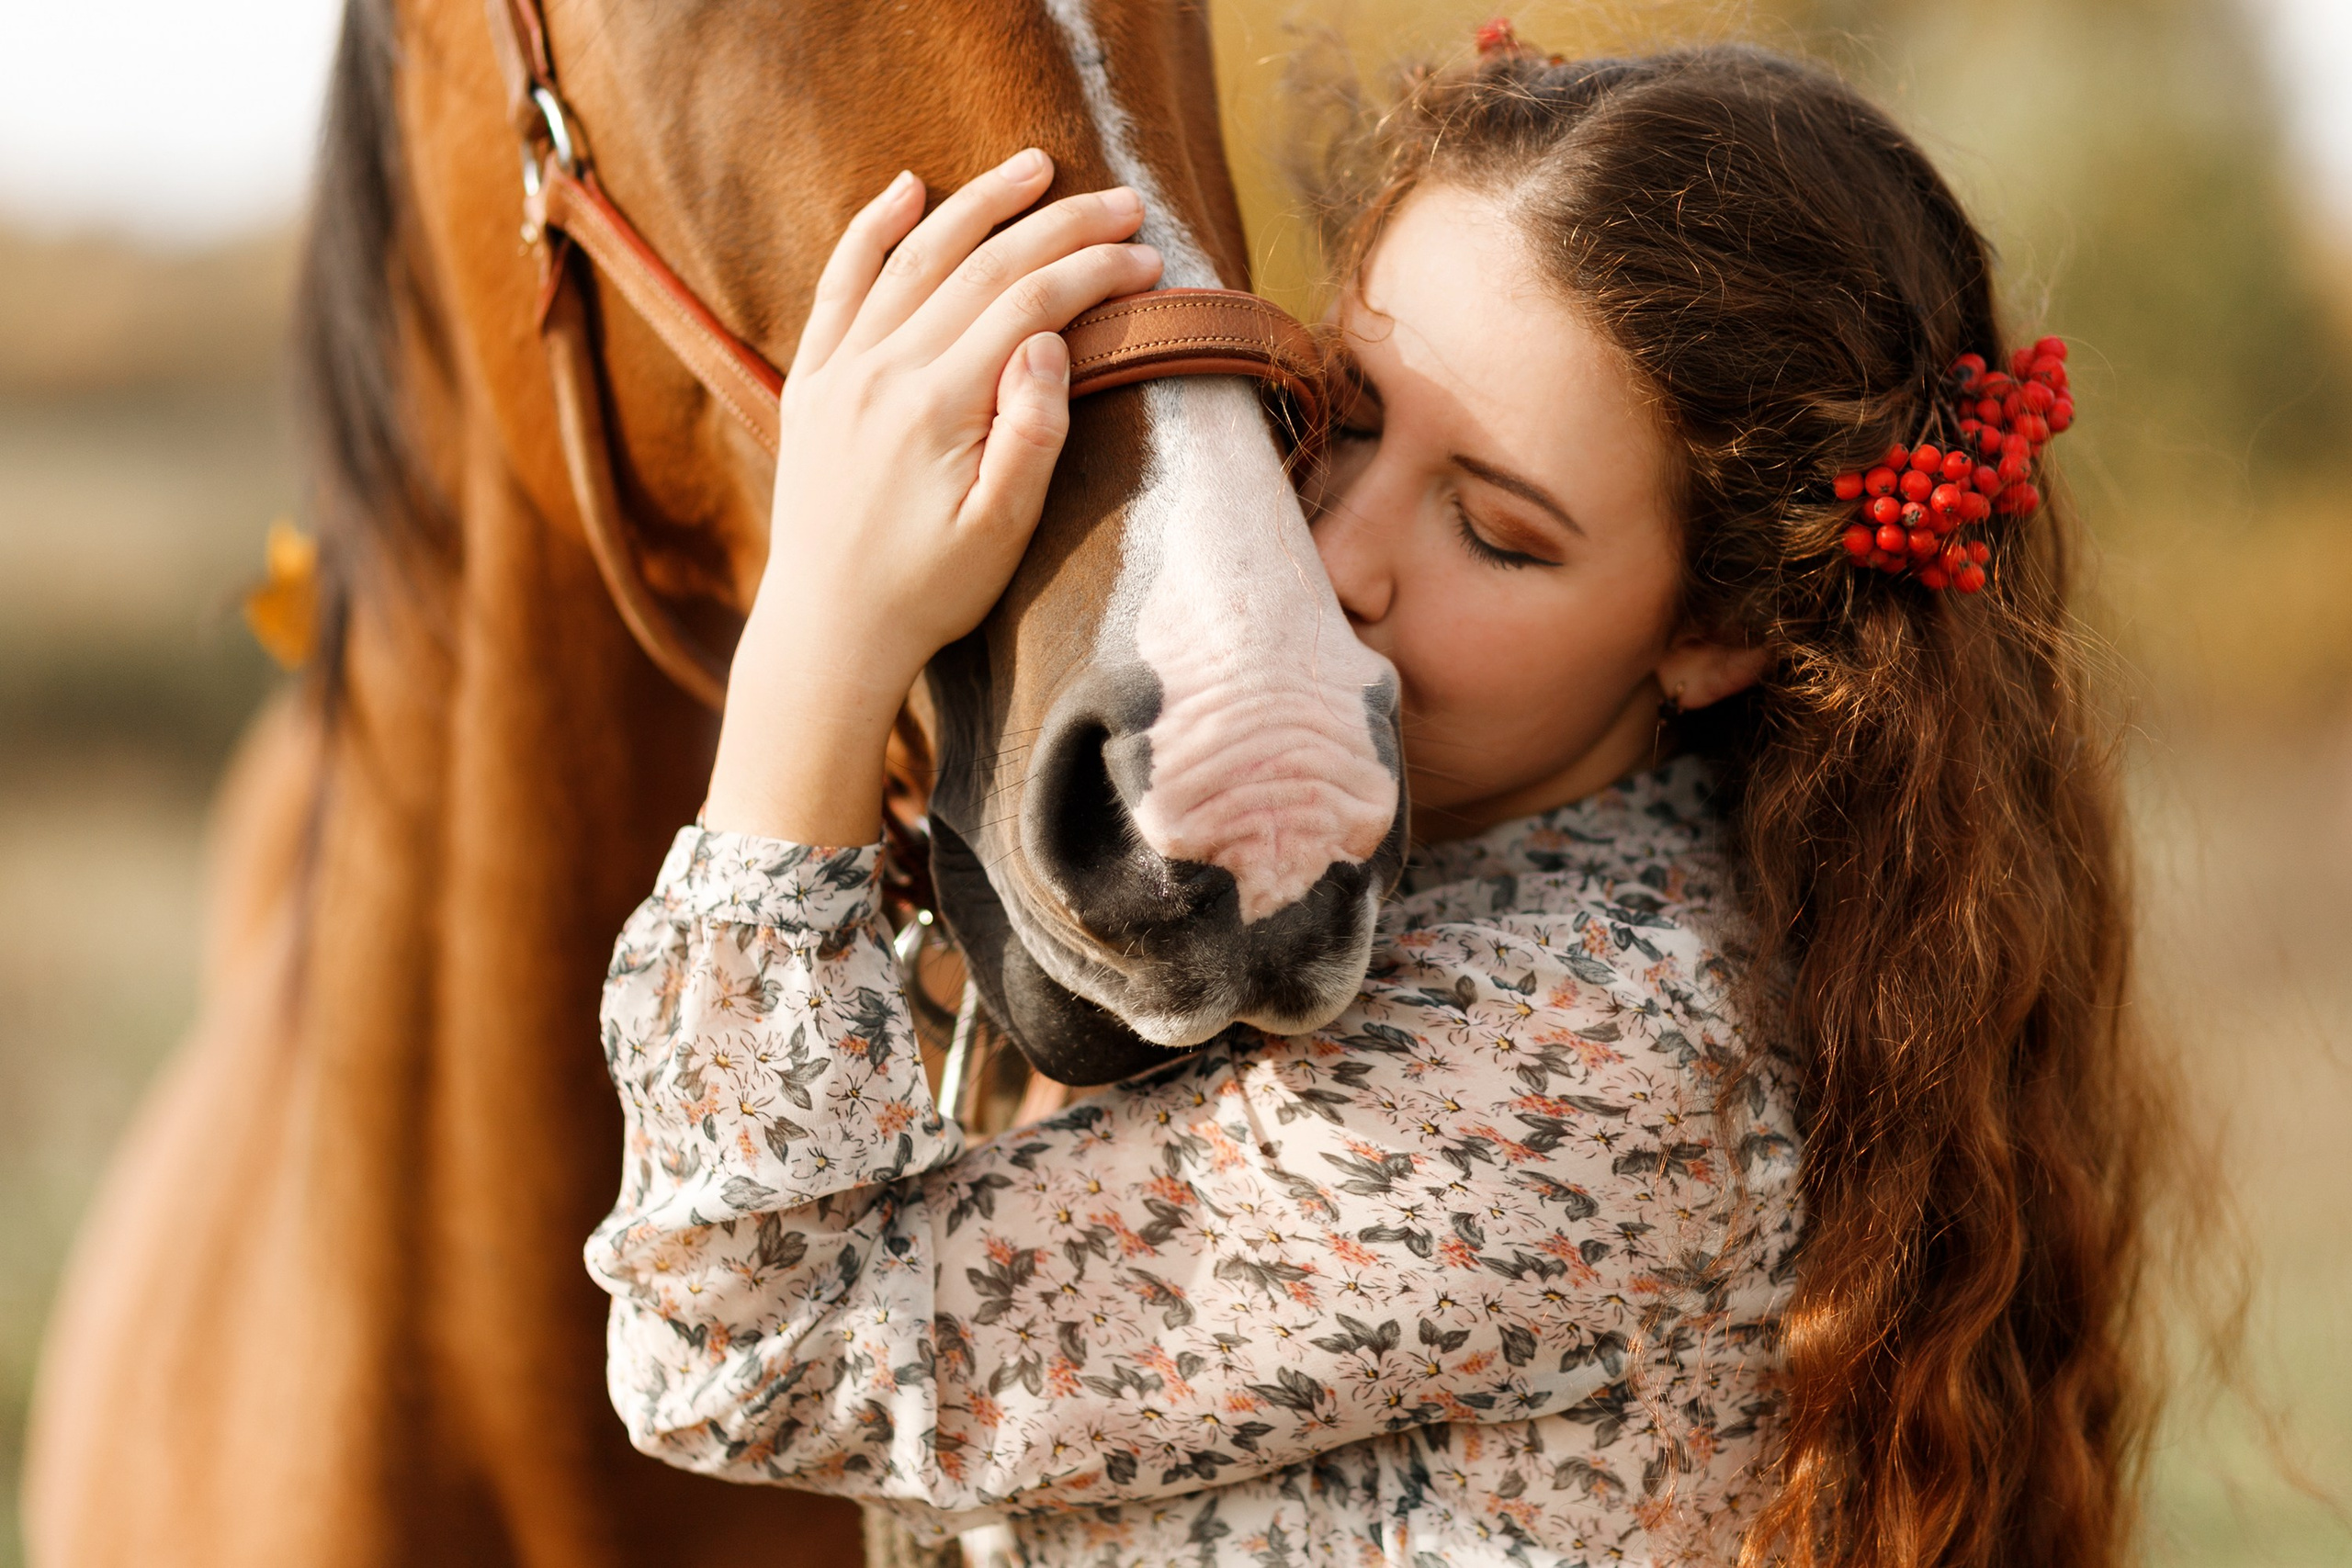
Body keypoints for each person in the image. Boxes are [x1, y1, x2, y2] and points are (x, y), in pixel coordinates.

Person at [585, 39, 2161, 1568]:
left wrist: (825, 631)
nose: (1333, 557)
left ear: (1717, 631)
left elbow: (750, 1353)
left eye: (1497, 533)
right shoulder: (1437, 877)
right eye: (1335, 415)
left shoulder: (1586, 1062)